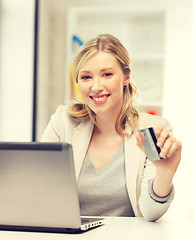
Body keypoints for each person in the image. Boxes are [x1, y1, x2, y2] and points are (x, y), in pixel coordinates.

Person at [41, 34, 182, 221]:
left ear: (126, 78)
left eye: (107, 74)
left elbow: (149, 213)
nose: (96, 86)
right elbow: (41, 190)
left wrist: (164, 174)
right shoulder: (63, 121)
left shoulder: (152, 129)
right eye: (86, 77)